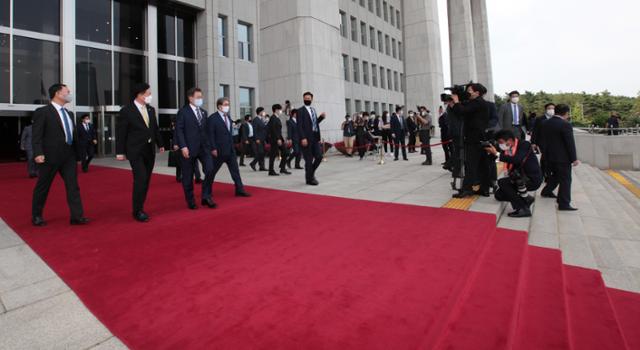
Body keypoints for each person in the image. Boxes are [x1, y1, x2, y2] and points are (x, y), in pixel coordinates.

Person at [31, 83, 88, 226]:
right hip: (49, 156)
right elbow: (36, 135)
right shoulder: (43, 112)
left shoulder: (69, 113)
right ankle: (37, 215)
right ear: (57, 93)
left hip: (68, 156)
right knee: (43, 186)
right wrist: (38, 153)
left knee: (73, 186)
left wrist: (78, 155)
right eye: (67, 91)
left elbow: (72, 135)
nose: (70, 94)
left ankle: (77, 216)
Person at [116, 83, 165, 223]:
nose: (150, 96)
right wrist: (120, 151)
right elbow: (121, 132)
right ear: (140, 94)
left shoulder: (150, 109)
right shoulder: (127, 111)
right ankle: (137, 210)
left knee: (146, 180)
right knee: (140, 178)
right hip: (135, 150)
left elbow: (154, 128)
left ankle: (140, 206)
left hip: (149, 150)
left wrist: (160, 144)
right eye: (148, 93)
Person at [485, 129, 542, 217]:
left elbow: (516, 159)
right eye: (499, 143)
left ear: (510, 140)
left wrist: (497, 153)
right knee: (499, 195)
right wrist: (490, 152)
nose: (501, 145)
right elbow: (496, 158)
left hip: (531, 178)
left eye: (501, 142)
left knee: (502, 182)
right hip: (517, 177)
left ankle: (522, 208)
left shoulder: (524, 144)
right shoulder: (507, 147)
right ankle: (526, 198)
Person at [175, 87, 215, 210]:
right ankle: (190, 200)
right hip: (189, 148)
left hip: (204, 148)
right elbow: (179, 130)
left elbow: (207, 131)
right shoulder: (183, 112)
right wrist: (183, 146)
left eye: (201, 97)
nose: (200, 99)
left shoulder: (204, 112)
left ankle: (206, 196)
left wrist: (211, 146)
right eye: (198, 97)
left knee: (210, 169)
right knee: (188, 176)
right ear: (190, 98)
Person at [451, 83, 491, 198]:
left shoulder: (478, 102)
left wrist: (457, 101)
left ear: (477, 93)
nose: (467, 92)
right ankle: (484, 188)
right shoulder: (478, 102)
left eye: (469, 90)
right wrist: (454, 104)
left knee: (471, 164)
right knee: (482, 164)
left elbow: (463, 111)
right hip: (479, 137)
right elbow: (462, 112)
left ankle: (467, 189)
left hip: (474, 137)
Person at [208, 97, 251, 202]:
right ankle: (207, 192)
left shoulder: (228, 117)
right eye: (226, 104)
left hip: (230, 150)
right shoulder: (212, 118)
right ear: (219, 106)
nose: (228, 106)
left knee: (235, 170)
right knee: (212, 172)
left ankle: (239, 189)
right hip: (218, 150)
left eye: (228, 104)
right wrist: (213, 148)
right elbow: (210, 135)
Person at [540, 104, 580, 211]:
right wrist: (574, 158)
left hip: (548, 156)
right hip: (562, 158)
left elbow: (542, 139)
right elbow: (569, 143)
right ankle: (564, 203)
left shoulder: (545, 123)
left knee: (556, 176)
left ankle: (546, 191)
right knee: (566, 180)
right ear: (566, 113)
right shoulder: (565, 125)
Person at [297, 91, 326, 186]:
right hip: (306, 139)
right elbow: (299, 126)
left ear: (312, 99)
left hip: (315, 138)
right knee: (308, 160)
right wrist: (303, 138)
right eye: (305, 98)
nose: (307, 100)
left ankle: (310, 173)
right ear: (303, 99)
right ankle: (309, 179)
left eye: (309, 98)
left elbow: (314, 123)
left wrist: (321, 118)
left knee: (319, 157)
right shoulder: (300, 111)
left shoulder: (313, 110)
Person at [531, 103, 555, 182]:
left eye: (553, 108)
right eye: (549, 108)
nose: (551, 110)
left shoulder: (556, 119)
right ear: (546, 109)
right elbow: (535, 131)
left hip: (553, 143)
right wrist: (533, 142)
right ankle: (544, 175)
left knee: (550, 159)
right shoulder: (540, 119)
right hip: (542, 142)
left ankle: (548, 174)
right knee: (545, 159)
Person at [267, 104, 291, 176]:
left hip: (279, 139)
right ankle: (271, 171)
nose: (281, 111)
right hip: (275, 140)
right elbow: (274, 130)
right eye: (280, 109)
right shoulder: (273, 118)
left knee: (286, 152)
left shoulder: (277, 118)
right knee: (273, 155)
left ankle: (282, 168)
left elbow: (278, 130)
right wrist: (278, 139)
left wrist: (281, 139)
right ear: (276, 110)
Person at [250, 107, 267, 171]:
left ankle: (262, 166)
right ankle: (253, 163)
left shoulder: (262, 119)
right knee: (260, 152)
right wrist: (256, 138)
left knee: (263, 153)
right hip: (258, 139)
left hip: (262, 139)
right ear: (260, 112)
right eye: (263, 111)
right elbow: (255, 130)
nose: (264, 113)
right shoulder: (255, 120)